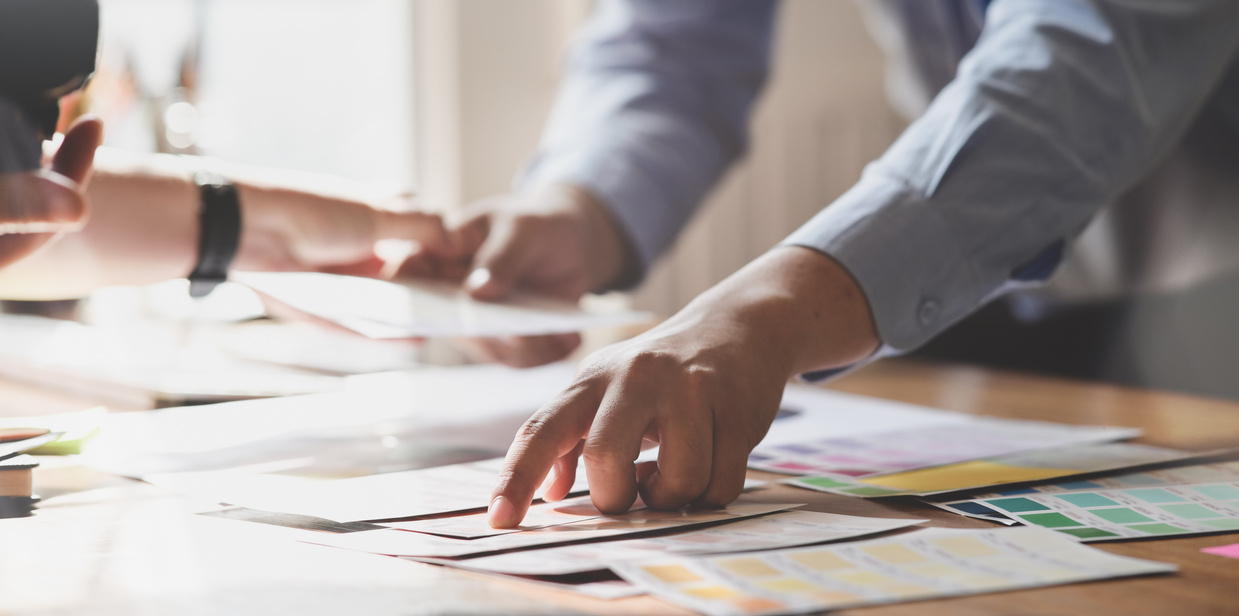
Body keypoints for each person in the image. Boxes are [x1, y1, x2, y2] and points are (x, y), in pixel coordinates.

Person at [393, 0, 1239, 527]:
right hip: (947, 294)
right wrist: (578, 205)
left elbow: (1083, 64)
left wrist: (761, 309)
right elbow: (672, 40)